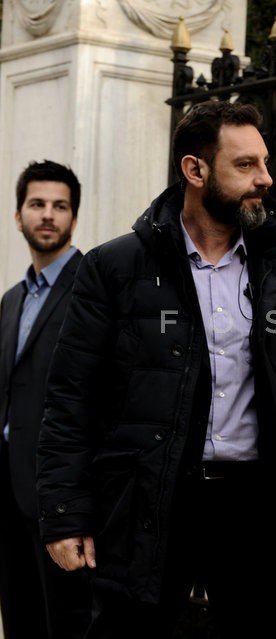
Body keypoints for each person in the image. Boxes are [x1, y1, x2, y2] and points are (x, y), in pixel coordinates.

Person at [36, 101, 276, 639]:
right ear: (195, 170)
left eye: (265, 163)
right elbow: (71, 398)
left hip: (260, 510)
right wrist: (65, 512)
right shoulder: (114, 269)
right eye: (246, 166)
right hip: (148, 504)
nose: (266, 179)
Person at [0, 160, 92, 638]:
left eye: (60, 206)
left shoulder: (92, 289)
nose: (49, 215)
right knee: (20, 622)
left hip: (61, 500)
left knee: (67, 626)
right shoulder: (11, 299)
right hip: (10, 495)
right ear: (19, 216)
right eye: (37, 204)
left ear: (74, 218)